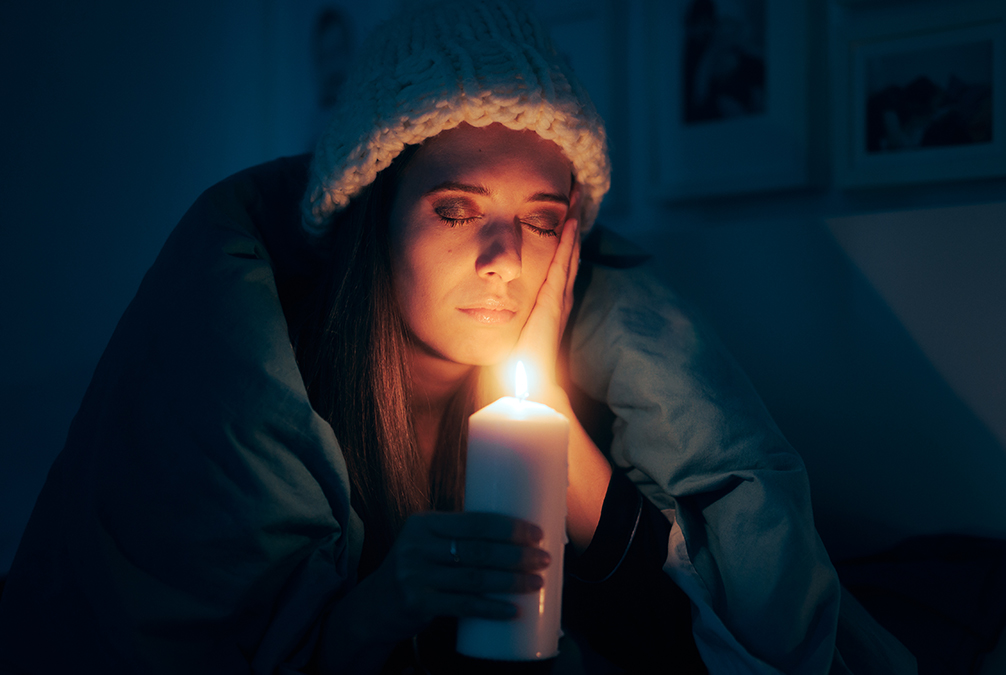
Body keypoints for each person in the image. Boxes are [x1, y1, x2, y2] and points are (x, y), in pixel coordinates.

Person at [0, 2, 915, 673]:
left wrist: (570, 453)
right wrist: (382, 606)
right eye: (456, 208)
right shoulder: (282, 401)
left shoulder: (594, 400)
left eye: (541, 217)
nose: (503, 258)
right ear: (377, 219)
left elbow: (690, 652)